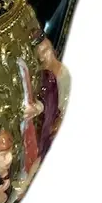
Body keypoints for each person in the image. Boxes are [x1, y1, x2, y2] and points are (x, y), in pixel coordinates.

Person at [34, 32, 72, 160]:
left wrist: (58, 124)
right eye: (39, 56)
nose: (43, 58)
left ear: (50, 48)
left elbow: (65, 106)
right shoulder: (44, 77)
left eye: (45, 52)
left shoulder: (63, 76)